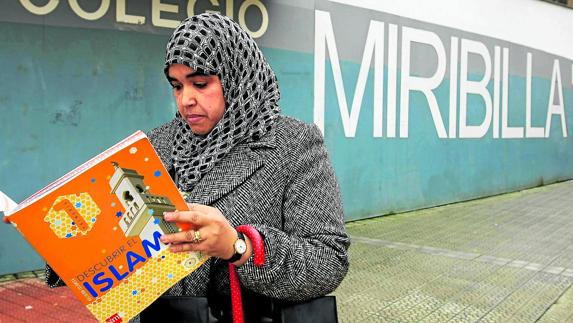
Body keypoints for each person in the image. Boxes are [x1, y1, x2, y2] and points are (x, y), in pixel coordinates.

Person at [48, 12, 349, 322]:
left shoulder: (294, 144)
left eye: (200, 83)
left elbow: (328, 261)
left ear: (237, 76)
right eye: (177, 86)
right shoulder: (156, 146)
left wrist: (239, 246)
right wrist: (67, 248)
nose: (186, 100)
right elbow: (119, 240)